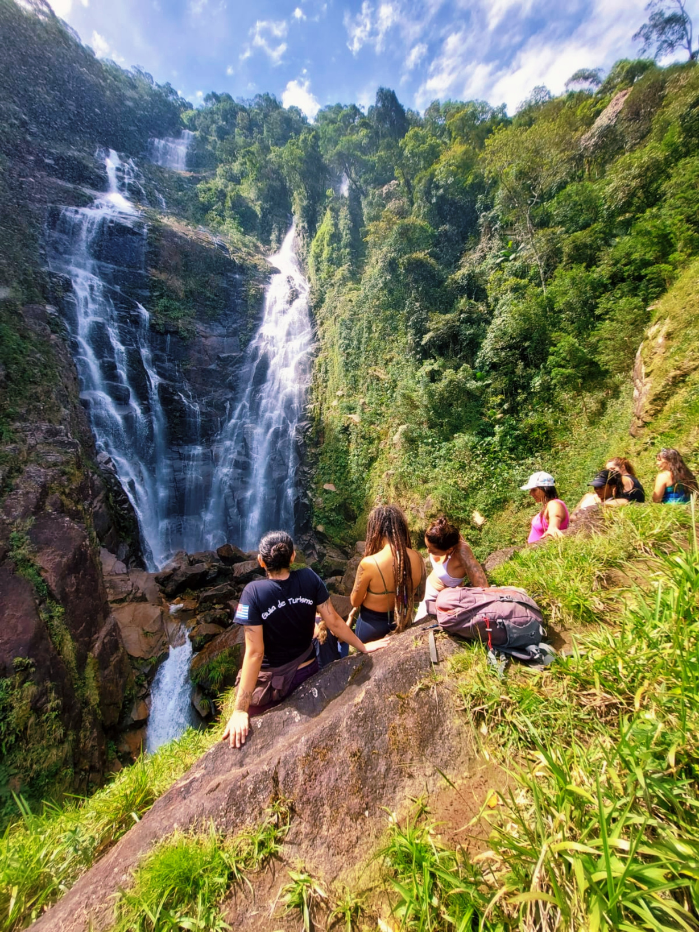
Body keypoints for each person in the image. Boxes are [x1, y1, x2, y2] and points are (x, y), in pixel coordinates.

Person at [223, 530, 387, 749]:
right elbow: (335, 622)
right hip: (308, 670)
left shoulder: (252, 592)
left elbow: (255, 653)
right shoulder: (309, 577)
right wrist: (363, 647)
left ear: (261, 561)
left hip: (275, 684)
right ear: (292, 557)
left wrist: (241, 709)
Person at [348, 505, 426, 643]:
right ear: (401, 528)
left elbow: (355, 601)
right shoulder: (417, 558)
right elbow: (420, 595)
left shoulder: (369, 563)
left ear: (376, 530)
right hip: (402, 621)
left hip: (372, 625)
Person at [416, 516, 487, 618]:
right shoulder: (444, 534)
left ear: (449, 550)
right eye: (427, 547)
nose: (427, 552)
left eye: (433, 550)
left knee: (421, 621)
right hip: (429, 590)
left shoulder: (463, 554)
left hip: (442, 598)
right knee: (417, 620)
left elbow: (482, 586)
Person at [520, 472, 570, 543]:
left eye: (534, 490)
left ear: (545, 489)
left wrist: (553, 527)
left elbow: (556, 516)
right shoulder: (547, 506)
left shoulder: (554, 503)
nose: (530, 493)